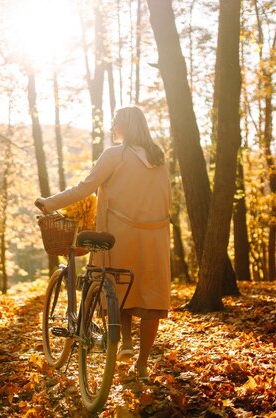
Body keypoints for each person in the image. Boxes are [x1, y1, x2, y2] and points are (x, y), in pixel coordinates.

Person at [35, 105, 171, 380]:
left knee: (117, 286)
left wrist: (49, 203)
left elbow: (85, 187)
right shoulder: (158, 157)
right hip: (156, 235)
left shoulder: (115, 155)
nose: (111, 128)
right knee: (150, 298)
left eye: (115, 122)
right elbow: (166, 197)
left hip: (120, 233)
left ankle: (127, 342)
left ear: (126, 126)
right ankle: (141, 365)